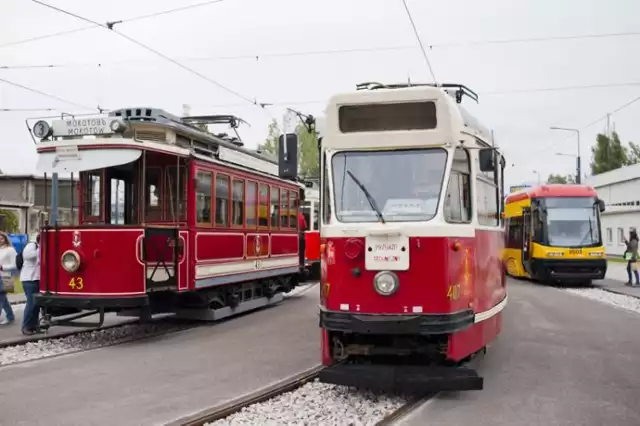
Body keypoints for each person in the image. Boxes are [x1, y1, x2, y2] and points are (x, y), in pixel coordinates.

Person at [20, 233, 41, 335]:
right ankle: (26, 326)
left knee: (37, 304)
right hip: (29, 279)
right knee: (31, 303)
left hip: (37, 279)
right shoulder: (32, 245)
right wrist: (40, 249)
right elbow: (27, 256)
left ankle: (34, 325)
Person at [0, 232, 17, 325]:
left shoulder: (10, 250)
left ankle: (9, 317)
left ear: (5, 239)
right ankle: (10, 316)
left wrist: (2, 267)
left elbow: (15, 265)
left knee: (0, 297)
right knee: (3, 299)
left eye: (1, 238)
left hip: (7, 276)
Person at [298, 188, 308, 271]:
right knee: (302, 246)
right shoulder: (300, 216)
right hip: (299, 236)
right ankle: (301, 263)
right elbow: (304, 227)